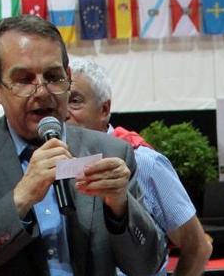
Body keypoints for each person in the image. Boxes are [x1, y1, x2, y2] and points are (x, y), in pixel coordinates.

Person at [0, 15, 165, 276]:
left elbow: (149, 264)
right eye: (24, 79)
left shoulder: (111, 152)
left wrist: (121, 208)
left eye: (53, 76)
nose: (42, 91)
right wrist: (21, 198)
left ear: (69, 77)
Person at [66, 57, 212, 276]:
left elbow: (199, 247)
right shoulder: (55, 165)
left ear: (104, 109)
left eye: (75, 100)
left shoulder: (144, 162)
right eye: (59, 103)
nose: (64, 112)